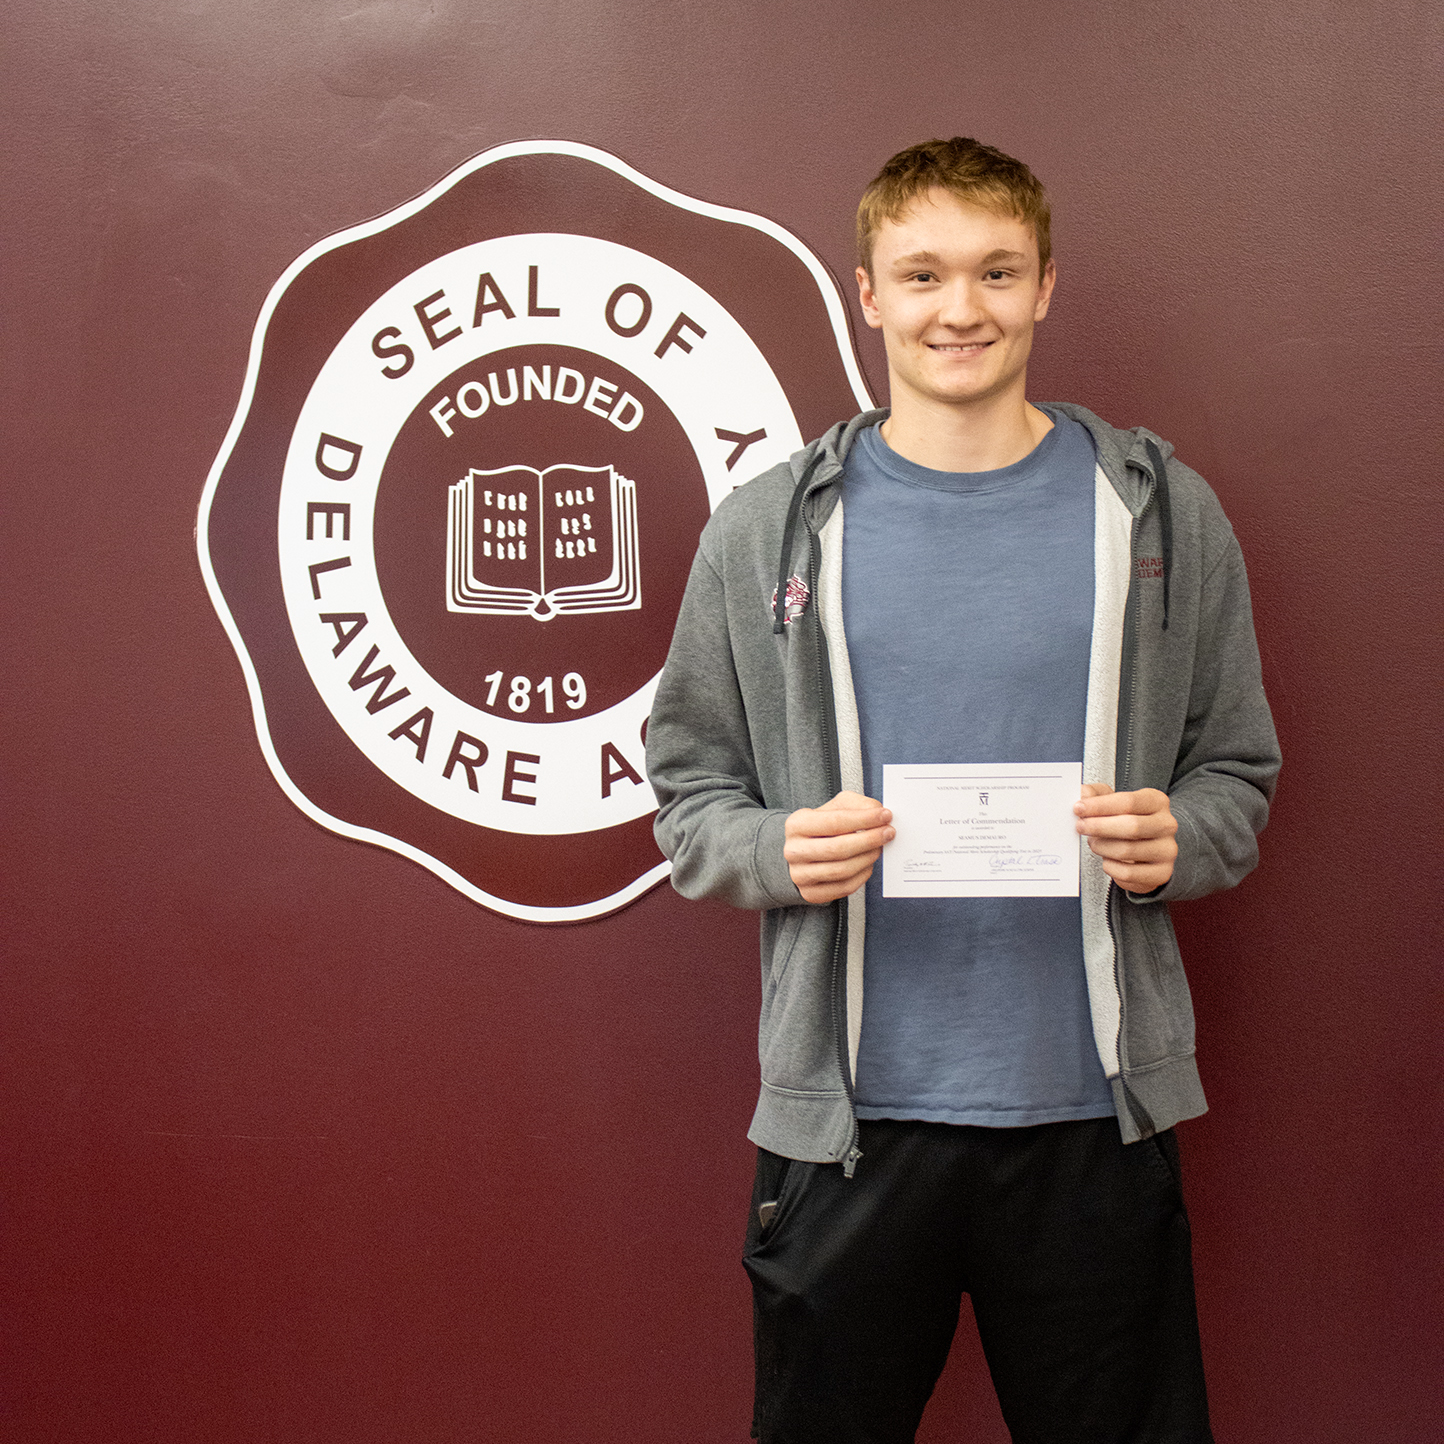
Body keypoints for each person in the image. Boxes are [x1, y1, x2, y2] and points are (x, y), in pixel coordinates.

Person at [645, 137, 1280, 1444]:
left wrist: (1178, 839)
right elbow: (689, 792)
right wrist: (779, 851)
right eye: (923, 274)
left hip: (1096, 1114)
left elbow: (1237, 775)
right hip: (848, 1125)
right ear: (868, 294)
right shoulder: (769, 529)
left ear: (1047, 285)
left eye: (997, 271)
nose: (961, 308)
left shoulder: (1158, 515)